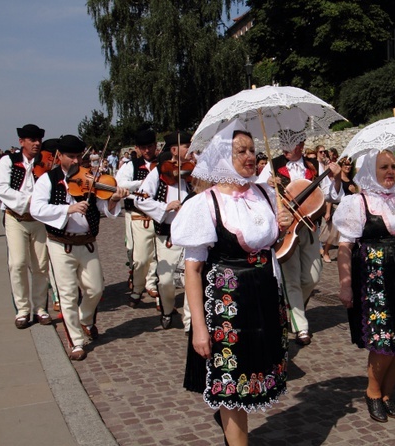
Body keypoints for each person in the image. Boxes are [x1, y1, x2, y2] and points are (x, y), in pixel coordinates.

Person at [172, 121, 292, 446]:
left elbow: (264, 245)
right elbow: (193, 271)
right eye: (241, 151)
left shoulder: (264, 194)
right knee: (231, 383)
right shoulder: (205, 204)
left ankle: (230, 426)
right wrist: (199, 327)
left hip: (263, 297)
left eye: (253, 150)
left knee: (254, 376)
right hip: (227, 305)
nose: (250, 156)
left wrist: (281, 227)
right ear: (225, 156)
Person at [333, 149, 395, 423]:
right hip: (375, 277)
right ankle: (373, 392)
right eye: (383, 168)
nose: (390, 172)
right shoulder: (358, 202)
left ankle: (388, 394)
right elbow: (345, 246)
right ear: (369, 171)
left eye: (392, 166)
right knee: (382, 339)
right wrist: (345, 284)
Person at [30, 135, 129, 360]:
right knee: (66, 294)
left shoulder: (91, 178)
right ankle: (75, 341)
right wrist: (67, 210)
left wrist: (114, 199)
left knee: (95, 289)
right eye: (70, 157)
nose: (75, 161)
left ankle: (84, 319)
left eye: (78, 157)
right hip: (59, 243)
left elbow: (106, 207)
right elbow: (37, 209)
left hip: (87, 242)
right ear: (59, 156)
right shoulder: (48, 179)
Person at [257, 130, 342, 346]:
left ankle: (291, 309)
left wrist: (337, 177)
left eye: (292, 143)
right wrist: (267, 184)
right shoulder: (272, 164)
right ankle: (301, 327)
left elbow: (331, 195)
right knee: (291, 278)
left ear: (302, 144)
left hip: (310, 227)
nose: (286, 148)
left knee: (312, 277)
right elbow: (256, 193)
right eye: (283, 142)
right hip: (286, 228)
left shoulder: (314, 165)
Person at [0, 124, 51, 329]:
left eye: (38, 140)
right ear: (21, 142)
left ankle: (40, 308)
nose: (36, 144)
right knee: (17, 263)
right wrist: (30, 200)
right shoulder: (7, 161)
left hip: (38, 220)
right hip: (16, 218)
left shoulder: (45, 163)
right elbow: (1, 188)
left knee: (41, 265)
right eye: (32, 140)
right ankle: (22, 309)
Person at [135, 132, 194, 329]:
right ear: (175, 150)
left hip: (191, 234)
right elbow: (140, 198)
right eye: (186, 146)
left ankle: (190, 321)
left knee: (191, 279)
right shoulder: (159, 171)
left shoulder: (194, 171)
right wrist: (164, 207)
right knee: (166, 280)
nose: (190, 150)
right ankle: (167, 309)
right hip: (167, 233)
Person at [116, 127, 160, 307]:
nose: (147, 150)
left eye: (150, 146)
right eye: (143, 147)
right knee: (140, 256)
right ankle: (137, 286)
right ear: (137, 148)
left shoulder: (163, 163)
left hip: (158, 215)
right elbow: (119, 183)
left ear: (155, 145)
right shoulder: (130, 166)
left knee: (158, 255)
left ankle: (152, 283)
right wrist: (142, 183)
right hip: (137, 215)